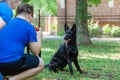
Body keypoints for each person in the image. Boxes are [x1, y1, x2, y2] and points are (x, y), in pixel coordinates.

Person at [0, 4, 44, 80]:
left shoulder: (5, 23)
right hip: (12, 63)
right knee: (41, 63)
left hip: (1, 65)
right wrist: (39, 36)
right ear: (30, 15)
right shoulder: (29, 26)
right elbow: (36, 52)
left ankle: (4, 77)